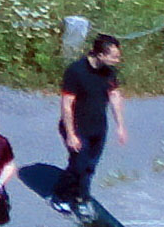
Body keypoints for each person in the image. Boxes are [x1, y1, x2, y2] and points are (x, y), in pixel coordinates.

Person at [53, 34, 125, 220]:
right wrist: (70, 134)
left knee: (90, 167)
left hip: (98, 128)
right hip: (77, 128)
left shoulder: (108, 72)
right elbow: (67, 103)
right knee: (78, 166)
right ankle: (61, 196)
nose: (117, 60)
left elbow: (114, 97)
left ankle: (81, 197)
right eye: (114, 56)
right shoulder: (76, 71)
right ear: (100, 55)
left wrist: (120, 126)